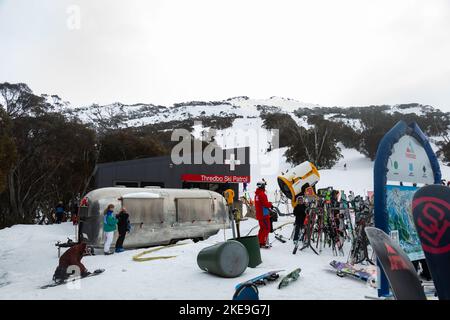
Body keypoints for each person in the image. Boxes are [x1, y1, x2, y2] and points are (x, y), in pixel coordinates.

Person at [254, 181, 272, 248]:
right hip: (264, 215)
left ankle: (259, 241)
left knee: (262, 228)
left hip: (260, 214)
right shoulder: (262, 194)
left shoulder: (257, 194)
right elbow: (265, 204)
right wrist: (270, 204)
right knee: (266, 228)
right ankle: (262, 242)